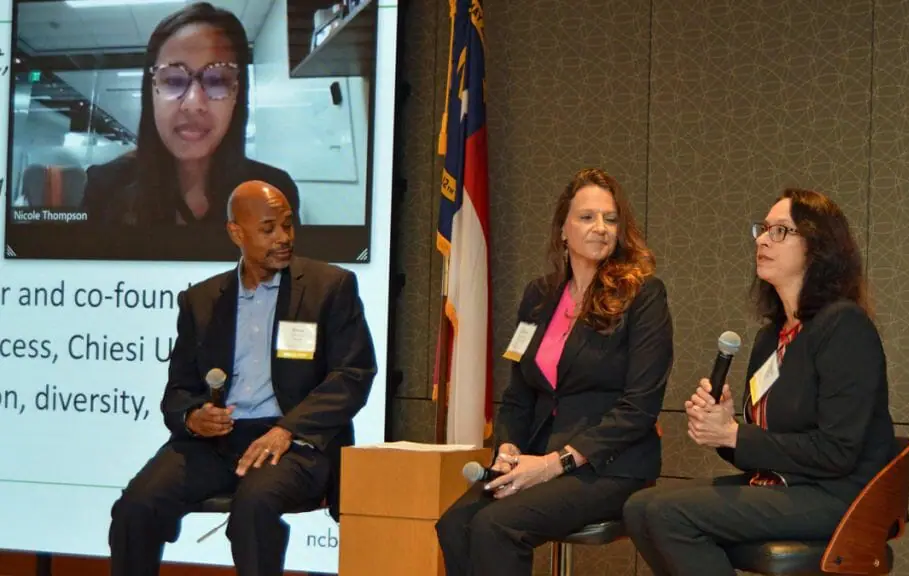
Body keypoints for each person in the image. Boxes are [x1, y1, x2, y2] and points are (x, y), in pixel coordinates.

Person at [622, 189, 897, 576]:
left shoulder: (844, 326)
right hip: (781, 484)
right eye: (763, 229)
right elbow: (764, 444)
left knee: (671, 515)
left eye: (781, 231)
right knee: (639, 507)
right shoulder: (772, 337)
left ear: (818, 247)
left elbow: (838, 452)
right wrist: (722, 429)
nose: (763, 239)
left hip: (838, 495)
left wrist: (735, 436)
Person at [108, 180, 376, 576]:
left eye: (288, 225)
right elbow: (178, 390)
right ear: (236, 232)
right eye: (268, 229)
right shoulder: (201, 300)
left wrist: (287, 431)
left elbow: (353, 374)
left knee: (253, 507)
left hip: (294, 442)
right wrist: (192, 417)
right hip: (217, 442)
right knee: (136, 506)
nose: (283, 238)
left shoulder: (329, 287)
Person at [434, 168, 674, 576]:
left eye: (610, 219)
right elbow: (519, 395)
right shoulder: (539, 296)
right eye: (586, 217)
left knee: (497, 525)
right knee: (455, 524)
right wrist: (509, 450)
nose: (600, 228)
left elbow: (640, 407)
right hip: (535, 455)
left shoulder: (643, 295)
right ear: (563, 229)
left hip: (609, 465)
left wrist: (553, 463)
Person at [82, 3, 301, 226]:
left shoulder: (272, 191)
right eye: (174, 80)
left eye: (217, 81)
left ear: (238, 94)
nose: (194, 103)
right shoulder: (105, 187)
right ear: (150, 93)